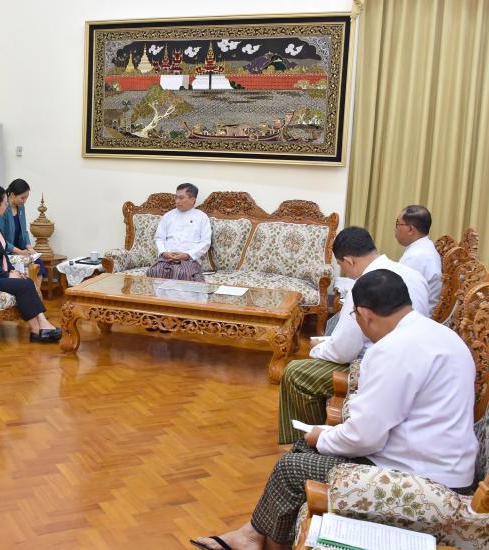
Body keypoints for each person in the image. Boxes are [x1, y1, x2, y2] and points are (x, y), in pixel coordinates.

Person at [191, 270, 477, 550]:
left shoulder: (394, 349)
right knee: (303, 447)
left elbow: (365, 438)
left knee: (290, 469)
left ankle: (259, 541)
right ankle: (252, 535)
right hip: (442, 465)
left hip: (427, 481)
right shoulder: (439, 334)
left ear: (364, 314)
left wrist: (324, 436)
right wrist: (323, 437)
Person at [277, 227, 429, 444]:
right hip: (414, 359)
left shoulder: (364, 286)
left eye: (341, 266)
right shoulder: (413, 275)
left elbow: (345, 351)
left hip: (376, 366)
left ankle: (302, 442)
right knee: (332, 327)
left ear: (348, 261)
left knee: (295, 373)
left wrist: (317, 348)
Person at [0, 184, 61, 343]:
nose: (7, 206)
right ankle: (39, 328)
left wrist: (13, 270)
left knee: (26, 281)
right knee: (25, 285)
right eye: (5, 203)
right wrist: (7, 275)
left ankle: (39, 327)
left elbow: (2, 252)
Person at [146, 183, 211, 282]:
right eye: (176, 197)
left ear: (192, 199)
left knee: (183, 274)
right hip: (167, 259)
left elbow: (205, 242)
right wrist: (164, 252)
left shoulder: (202, 217)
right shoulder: (168, 216)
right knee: (153, 272)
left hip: (189, 261)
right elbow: (159, 238)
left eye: (181, 198)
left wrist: (188, 255)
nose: (177, 201)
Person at [395, 205, 442, 311]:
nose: (395, 228)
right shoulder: (424, 246)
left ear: (410, 229)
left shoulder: (416, 257)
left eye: (398, 224)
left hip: (416, 314)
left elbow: (399, 296)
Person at [0, 178, 45, 277]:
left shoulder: (21, 207)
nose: (24, 201)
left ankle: (36, 288)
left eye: (26, 198)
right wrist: (20, 252)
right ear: (12, 195)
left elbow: (24, 231)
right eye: (22, 198)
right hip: (7, 251)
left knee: (39, 263)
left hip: (19, 248)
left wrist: (29, 247)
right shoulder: (3, 209)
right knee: (35, 264)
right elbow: (0, 239)